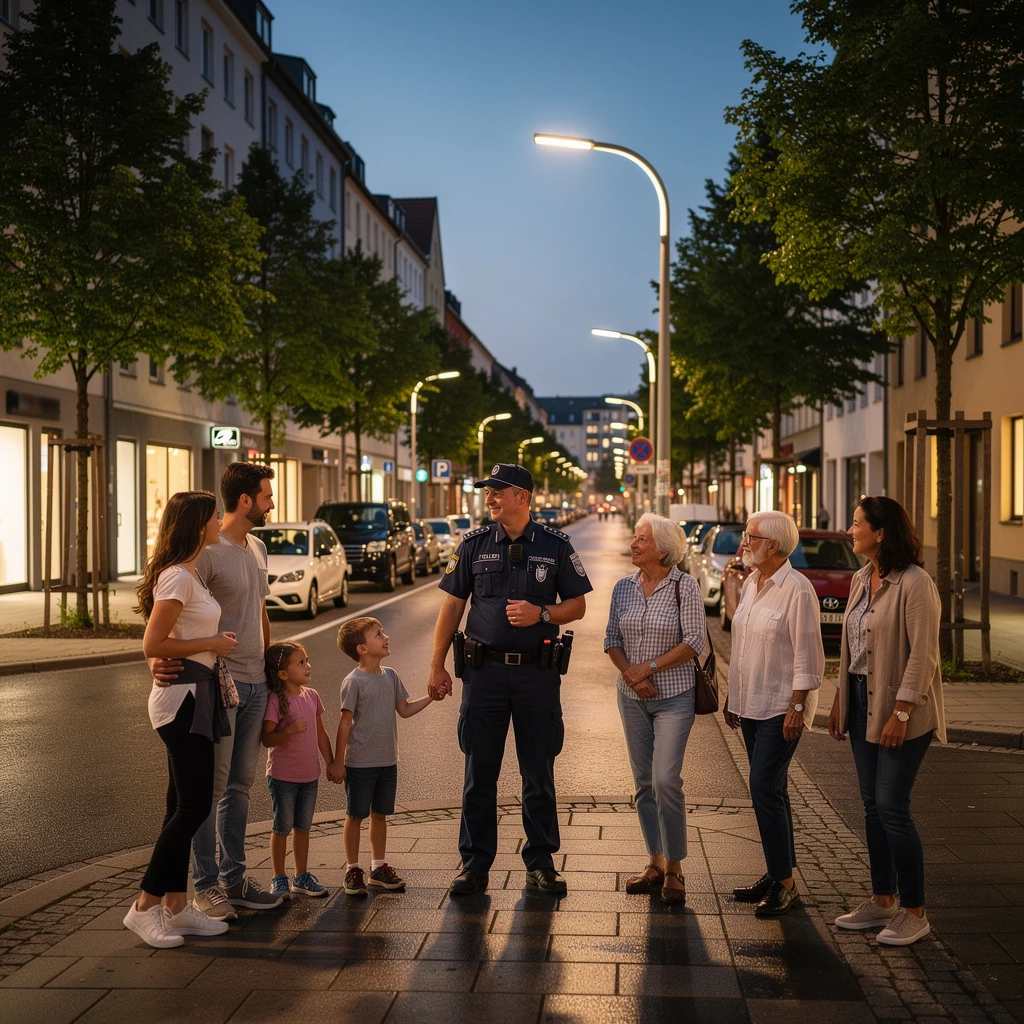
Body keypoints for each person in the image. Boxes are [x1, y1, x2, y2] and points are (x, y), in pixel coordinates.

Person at [427, 463, 593, 897]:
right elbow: (452, 606)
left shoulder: (555, 545)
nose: (490, 498)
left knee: (538, 773)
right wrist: (436, 665)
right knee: (479, 773)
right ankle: (475, 865)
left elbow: (577, 606)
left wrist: (542, 613)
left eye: (498, 491)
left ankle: (540, 862)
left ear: (523, 496)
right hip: (484, 675)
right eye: (488, 492)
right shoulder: (474, 544)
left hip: (538, 676)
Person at [152, 462, 281, 920]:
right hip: (218, 684)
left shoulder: (257, 547)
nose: (271, 503)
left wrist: (271, 670)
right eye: (266, 496)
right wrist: (154, 659)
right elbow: (168, 613)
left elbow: (259, 611)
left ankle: (234, 879)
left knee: (241, 787)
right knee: (210, 788)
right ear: (245, 500)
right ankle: (205, 886)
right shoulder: (206, 552)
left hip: (256, 681)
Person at [827, 496, 945, 946]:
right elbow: (854, 648)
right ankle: (882, 900)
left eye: (857, 523)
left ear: (880, 532)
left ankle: (914, 911)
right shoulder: (861, 577)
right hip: (861, 700)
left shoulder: (915, 583)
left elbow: (924, 655)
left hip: (901, 708)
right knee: (872, 806)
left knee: (892, 806)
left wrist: (901, 711)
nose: (849, 530)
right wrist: (839, 698)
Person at [124, 491, 238, 949]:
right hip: (182, 702)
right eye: (214, 516)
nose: (220, 521)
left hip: (196, 697)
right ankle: (144, 907)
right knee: (193, 807)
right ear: (197, 524)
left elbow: (175, 635)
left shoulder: (189, 573)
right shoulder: (176, 576)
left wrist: (210, 641)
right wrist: (212, 642)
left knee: (180, 806)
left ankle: (175, 906)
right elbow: (154, 644)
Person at [724, 510, 824, 917]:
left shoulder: (797, 590)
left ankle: (785, 883)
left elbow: (808, 655)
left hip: (781, 706)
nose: (744, 542)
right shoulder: (752, 582)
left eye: (751, 537)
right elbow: (743, 645)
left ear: (774, 546)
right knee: (771, 790)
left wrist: (797, 707)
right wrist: (733, 697)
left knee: (764, 786)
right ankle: (777, 873)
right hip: (751, 702)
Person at [604, 514, 706, 905]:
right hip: (631, 697)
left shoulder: (685, 586)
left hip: (675, 696)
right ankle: (655, 861)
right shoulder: (623, 587)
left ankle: (675, 866)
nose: (634, 544)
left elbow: (694, 641)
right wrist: (632, 676)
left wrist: (648, 668)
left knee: (665, 780)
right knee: (644, 782)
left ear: (663, 551)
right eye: (635, 538)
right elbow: (612, 639)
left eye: (642, 539)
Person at [330, 617, 435, 896]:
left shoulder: (390, 675)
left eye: (383, 632)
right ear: (362, 649)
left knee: (380, 815)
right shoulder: (353, 681)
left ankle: (378, 868)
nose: (385, 637)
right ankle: (353, 869)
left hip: (388, 761)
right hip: (360, 763)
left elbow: (405, 709)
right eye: (378, 634)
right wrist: (338, 762)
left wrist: (431, 697)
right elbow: (345, 723)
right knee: (355, 815)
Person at [262, 641, 335, 900]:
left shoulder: (312, 696)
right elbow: (267, 739)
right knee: (282, 827)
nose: (308, 666)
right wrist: (289, 730)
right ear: (283, 674)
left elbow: (321, 733)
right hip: (283, 776)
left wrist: (331, 763)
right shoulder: (275, 700)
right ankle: (279, 878)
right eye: (301, 663)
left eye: (307, 660)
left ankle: (301, 876)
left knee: (303, 827)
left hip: (309, 775)